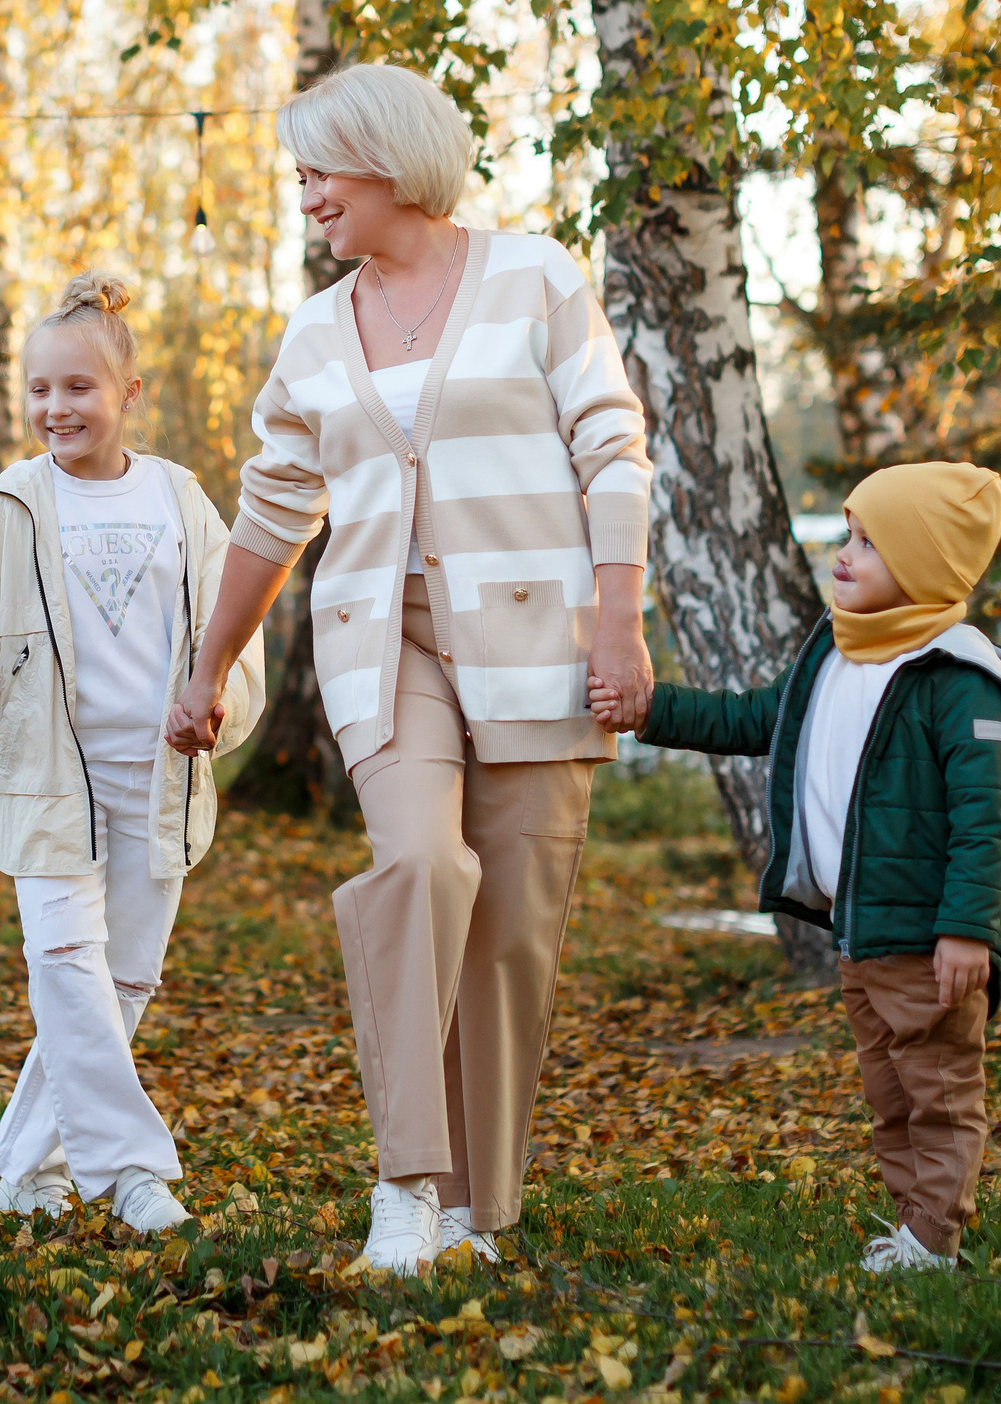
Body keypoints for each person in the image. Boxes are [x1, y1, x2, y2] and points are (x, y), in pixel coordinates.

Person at [166, 63, 655, 1273]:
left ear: (388, 161)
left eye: (318, 171)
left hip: (538, 644)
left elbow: (613, 446)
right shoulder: (318, 329)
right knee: (423, 867)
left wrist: (619, 620)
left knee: (508, 935)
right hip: (383, 649)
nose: (305, 195)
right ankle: (407, 1185)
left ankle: (482, 1214)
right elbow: (272, 512)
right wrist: (206, 665)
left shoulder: (534, 275)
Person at [0, 272, 264, 1234]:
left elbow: (233, 625)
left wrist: (220, 706)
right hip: (50, 784)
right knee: (65, 965)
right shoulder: (9, 506)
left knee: (120, 981)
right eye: (40, 390)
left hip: (161, 780)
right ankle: (133, 1172)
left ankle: (27, 1165)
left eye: (79, 388)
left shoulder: (181, 498)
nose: (57, 408)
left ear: (130, 395)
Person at [604, 462, 1001, 1272]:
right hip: (862, 930)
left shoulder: (962, 685)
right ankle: (914, 1223)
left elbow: (987, 823)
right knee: (889, 1091)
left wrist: (967, 930)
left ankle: (933, 1236)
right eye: (849, 533)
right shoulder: (839, 651)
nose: (845, 554)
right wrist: (650, 709)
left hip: (925, 936)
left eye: (871, 542)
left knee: (940, 1088)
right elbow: (754, 719)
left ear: (922, 567)